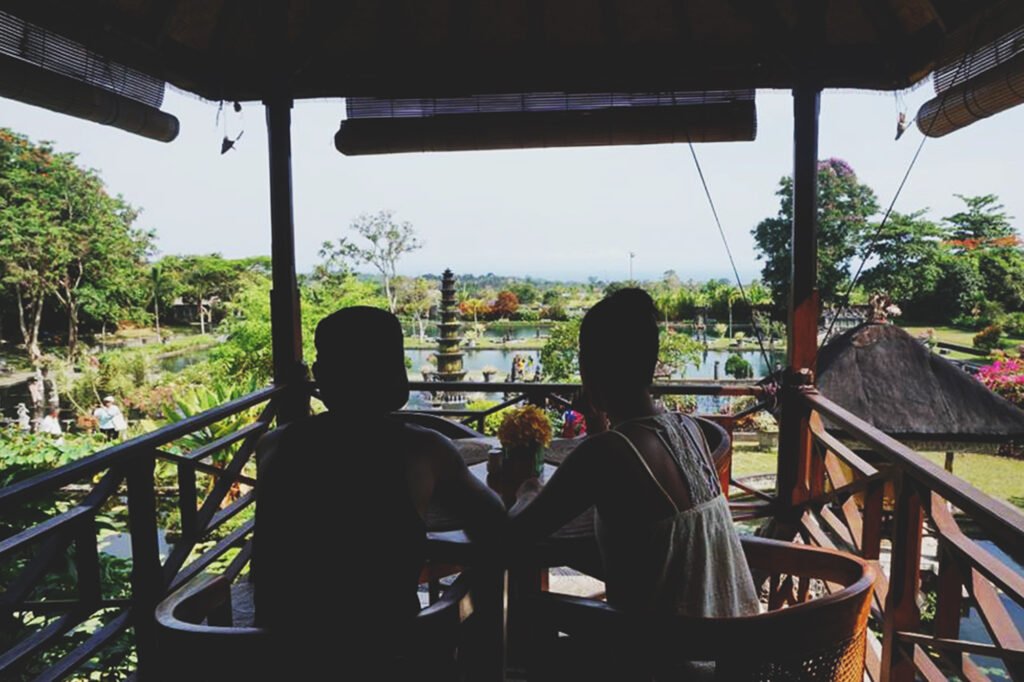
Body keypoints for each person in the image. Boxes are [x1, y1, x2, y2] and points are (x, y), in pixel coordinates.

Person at [509, 289, 758, 667]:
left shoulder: (605, 454)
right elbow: (641, 514)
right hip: (729, 655)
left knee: (526, 619)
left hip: (662, 664)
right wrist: (598, 422)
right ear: (651, 362)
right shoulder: (688, 428)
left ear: (589, 369)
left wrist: (526, 487)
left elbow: (516, 535)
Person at [255, 306, 506, 675]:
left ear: (321, 376)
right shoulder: (423, 449)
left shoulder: (273, 446)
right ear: (396, 376)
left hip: (280, 658)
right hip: (388, 658)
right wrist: (527, 491)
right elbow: (493, 523)